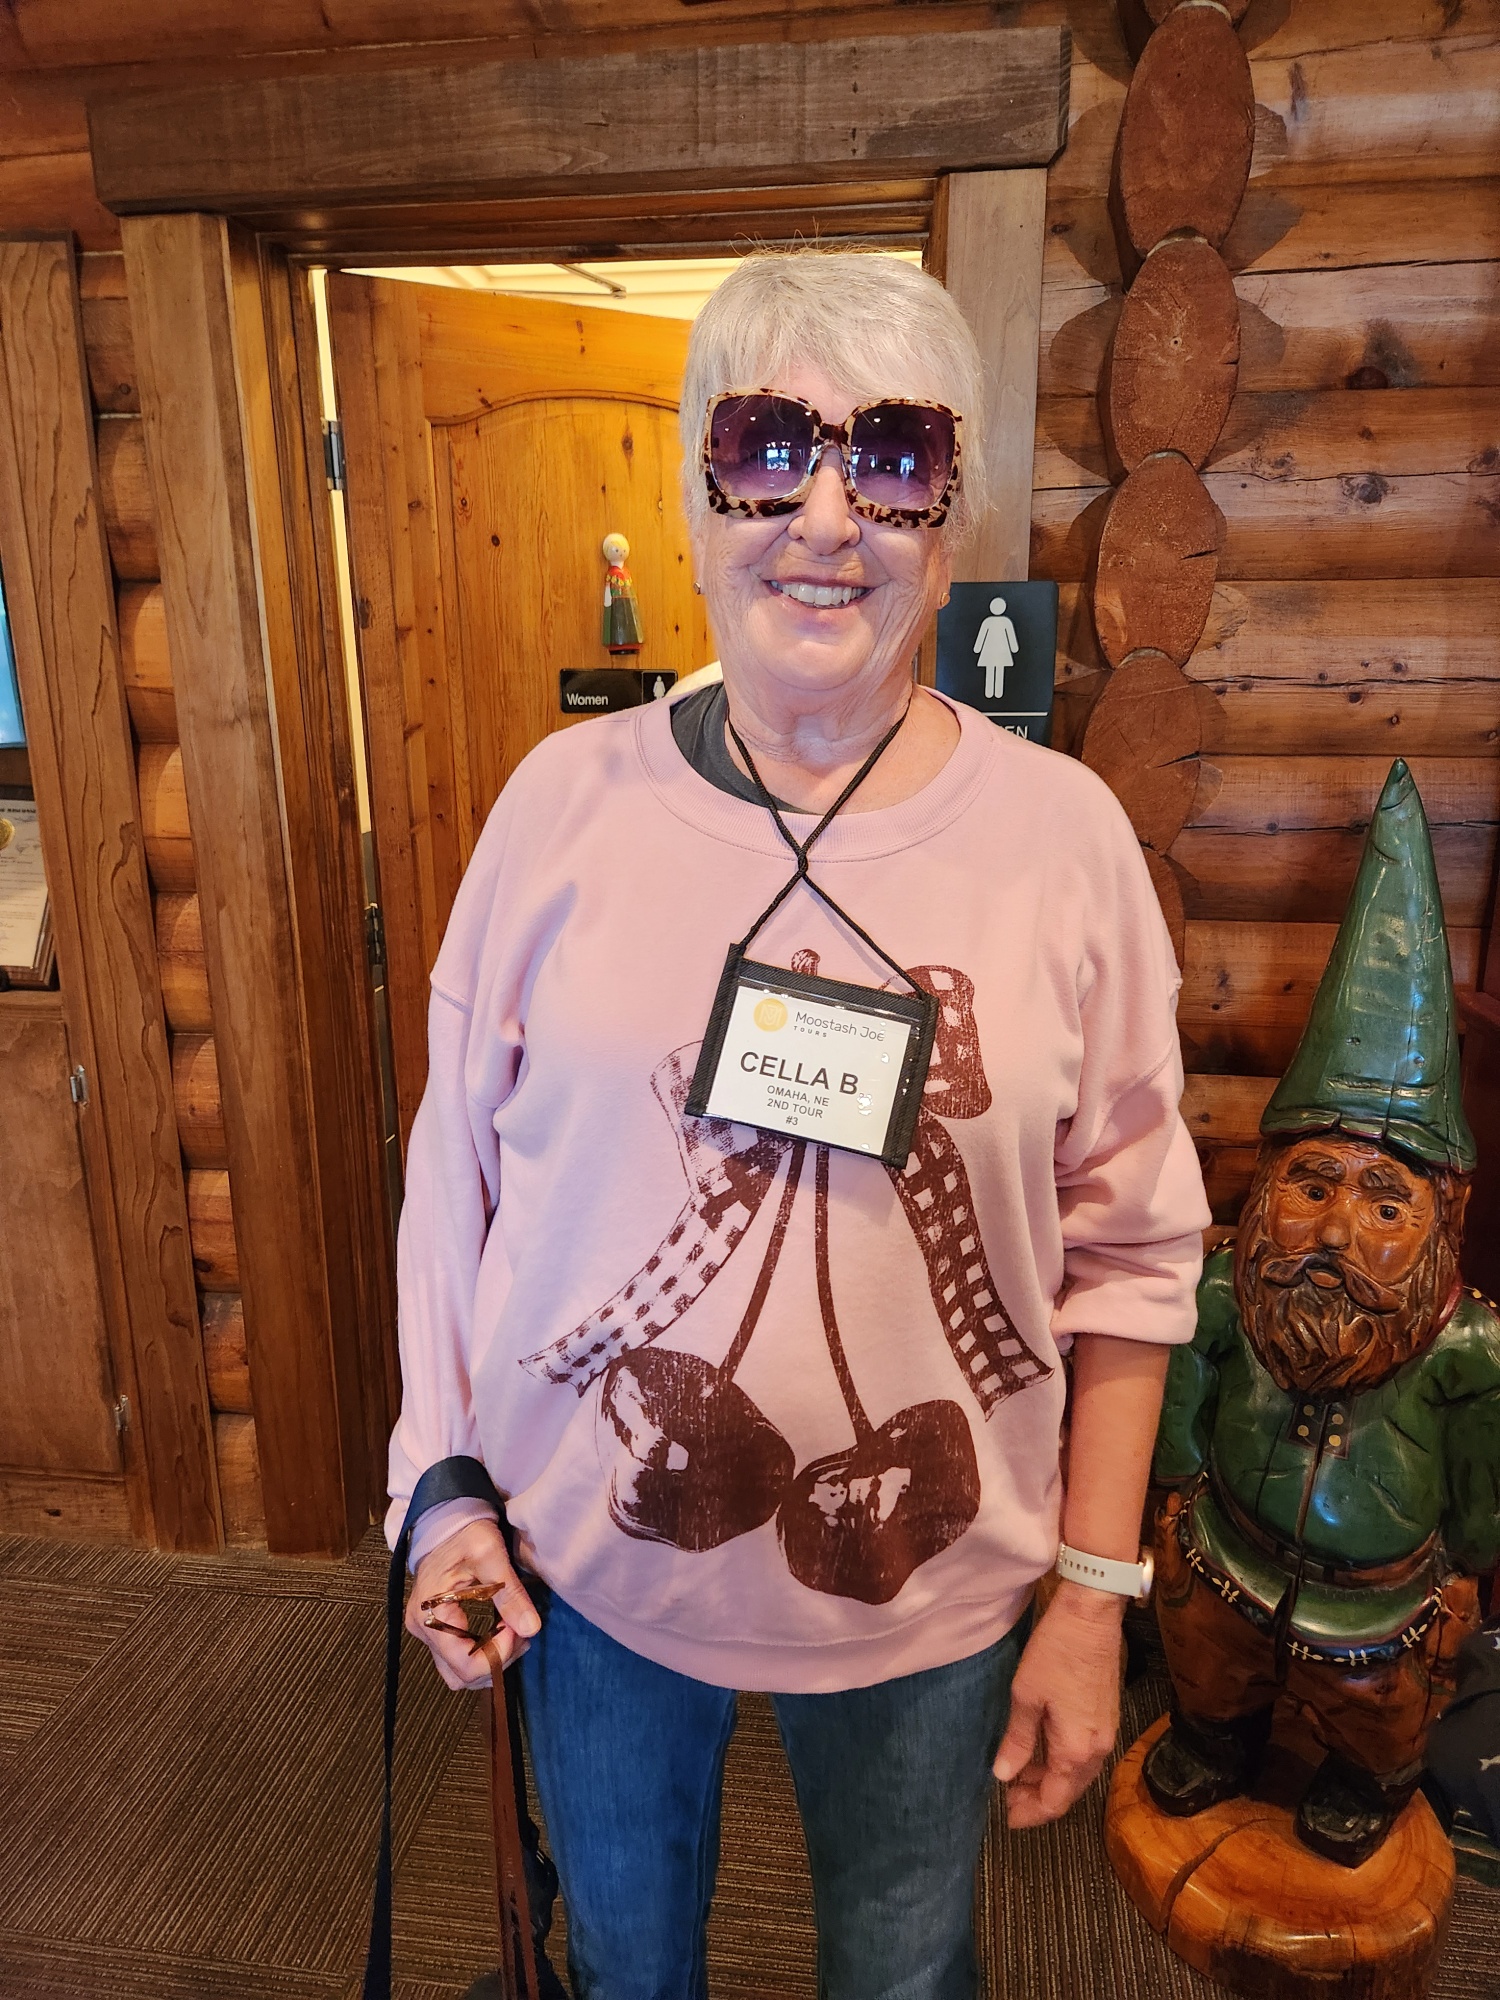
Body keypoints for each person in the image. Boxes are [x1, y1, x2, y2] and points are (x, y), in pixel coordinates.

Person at [390, 250, 1210, 2000]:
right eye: (769, 449)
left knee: (906, 1976)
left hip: (932, 1589)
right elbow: (452, 1171)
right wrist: (437, 1486)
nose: (827, 518)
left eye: (893, 459)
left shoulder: (1064, 840)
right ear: (700, 497)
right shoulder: (556, 809)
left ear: (947, 519)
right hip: (587, 1565)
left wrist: (1092, 1592)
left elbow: (1138, 1250)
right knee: (624, 1967)